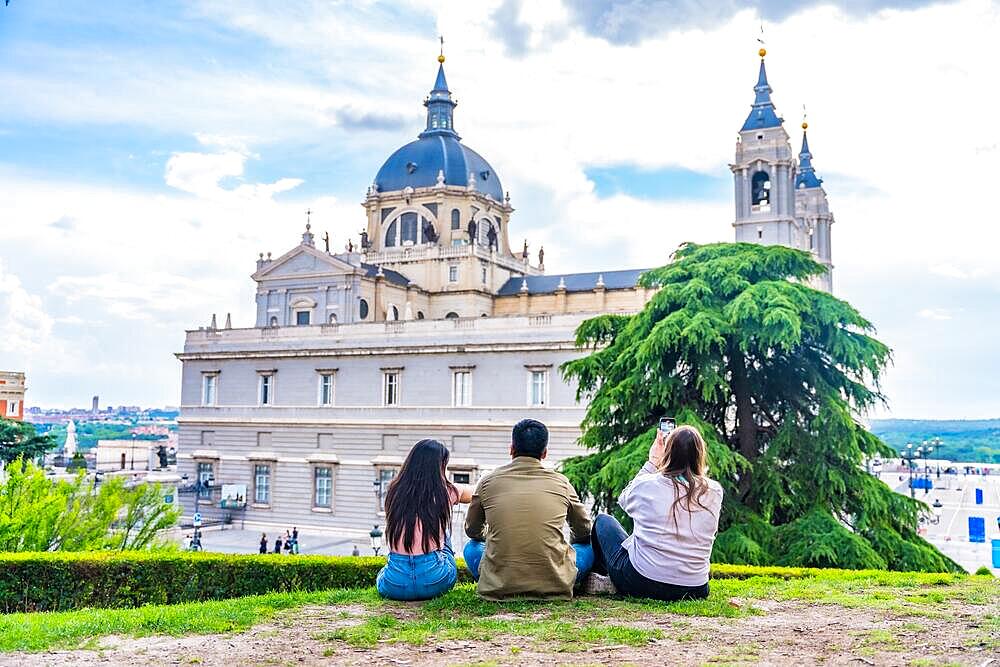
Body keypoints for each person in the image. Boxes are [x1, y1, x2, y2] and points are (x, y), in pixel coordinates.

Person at [588, 425, 723, 601]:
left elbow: (623, 500)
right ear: (700, 454)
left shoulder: (648, 484)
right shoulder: (714, 490)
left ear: (668, 452)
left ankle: (607, 580)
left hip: (643, 581)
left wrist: (652, 462)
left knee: (603, 521)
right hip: (695, 588)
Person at [464, 419, 593, 600]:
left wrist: (497, 536)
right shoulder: (561, 483)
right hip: (556, 583)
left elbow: (472, 530)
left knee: (472, 548)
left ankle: (495, 580)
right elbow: (584, 530)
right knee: (587, 547)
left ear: (511, 449)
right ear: (544, 453)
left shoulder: (487, 482)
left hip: (498, 584)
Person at [376, 439, 472, 601]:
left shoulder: (394, 491)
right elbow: (472, 493)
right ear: (440, 467)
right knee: (444, 532)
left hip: (395, 586)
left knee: (383, 574)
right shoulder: (445, 492)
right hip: (435, 581)